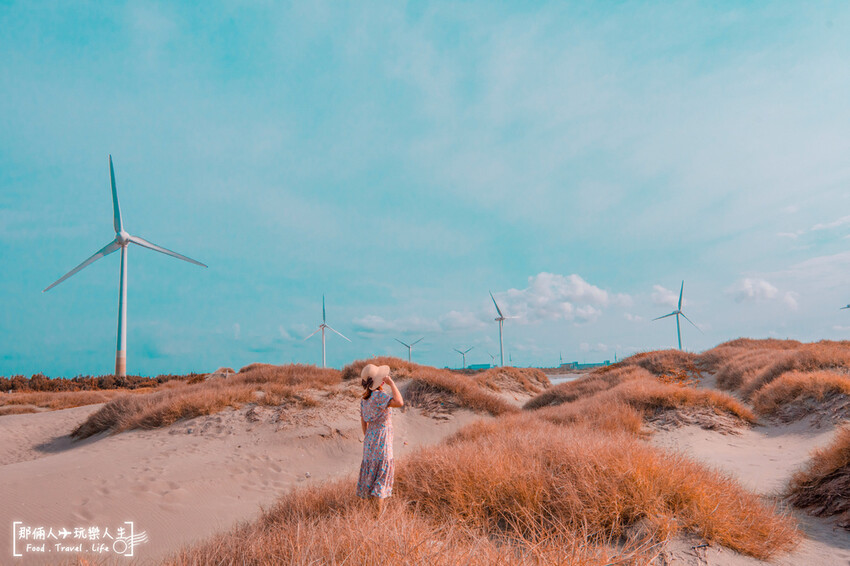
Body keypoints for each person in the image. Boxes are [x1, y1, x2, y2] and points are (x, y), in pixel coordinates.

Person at [356, 363, 404, 515]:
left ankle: (369, 514)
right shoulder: (379, 396)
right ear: (378, 381)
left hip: (370, 440)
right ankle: (377, 517)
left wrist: (369, 437)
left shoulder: (364, 400)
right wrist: (392, 384)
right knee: (381, 480)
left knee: (370, 478)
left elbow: (364, 422)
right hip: (382, 440)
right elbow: (399, 402)